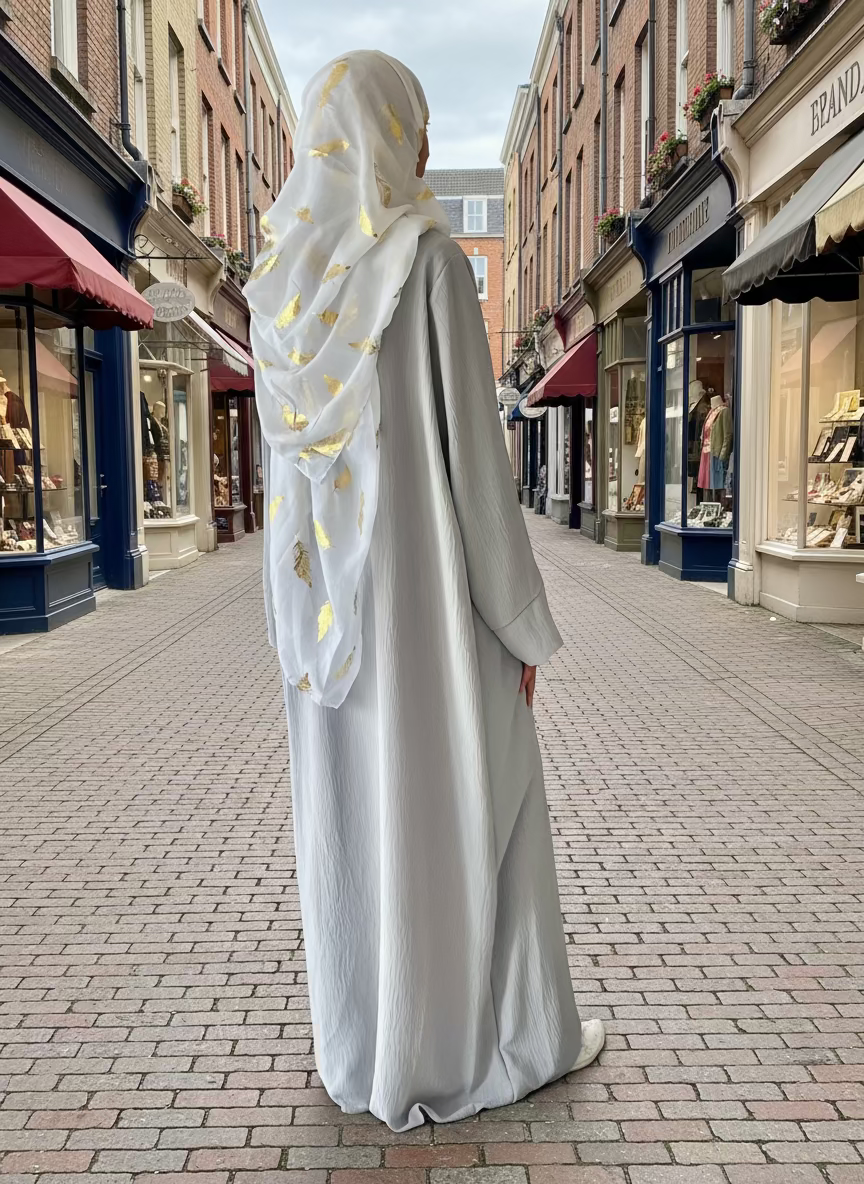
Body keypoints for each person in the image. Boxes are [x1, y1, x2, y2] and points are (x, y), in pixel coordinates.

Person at [245, 49, 604, 1133]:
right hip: (430, 621)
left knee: (359, 830)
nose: (430, 151)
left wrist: (292, 633)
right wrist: (521, 623)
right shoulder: (432, 264)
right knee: (464, 807)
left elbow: (283, 501)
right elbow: (478, 477)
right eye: (419, 129)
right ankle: (476, 1040)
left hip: (334, 634)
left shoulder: (284, 290)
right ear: (391, 136)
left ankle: (365, 1044)